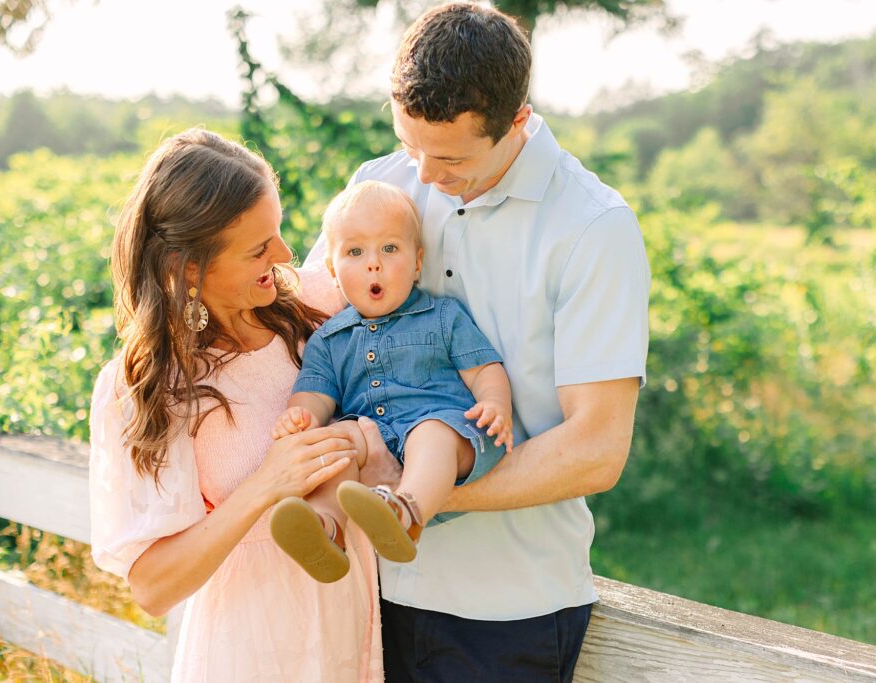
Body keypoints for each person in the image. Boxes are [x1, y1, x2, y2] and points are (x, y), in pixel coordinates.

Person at [306, 4, 650, 681]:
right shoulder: (382, 189)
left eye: (451, 157)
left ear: (518, 120)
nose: (424, 178)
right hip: (367, 597)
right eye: (411, 147)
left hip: (506, 612)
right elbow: (311, 325)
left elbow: (597, 450)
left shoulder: (593, 227)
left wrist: (411, 497)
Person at [88, 128, 383, 682]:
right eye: (258, 249)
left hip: (351, 629)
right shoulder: (148, 385)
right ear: (190, 268)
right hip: (252, 646)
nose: (286, 255)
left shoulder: (317, 304)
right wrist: (266, 485)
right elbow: (152, 587)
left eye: (276, 232)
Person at [268, 180, 513, 582]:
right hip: (374, 441)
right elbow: (313, 395)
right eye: (355, 251)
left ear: (418, 262)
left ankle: (406, 512)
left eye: (389, 248)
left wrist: (494, 403)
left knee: (430, 432)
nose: (373, 264)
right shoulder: (329, 340)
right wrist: (300, 418)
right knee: (339, 439)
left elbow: (484, 368)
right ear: (332, 269)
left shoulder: (443, 316)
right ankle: (326, 528)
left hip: (450, 438)